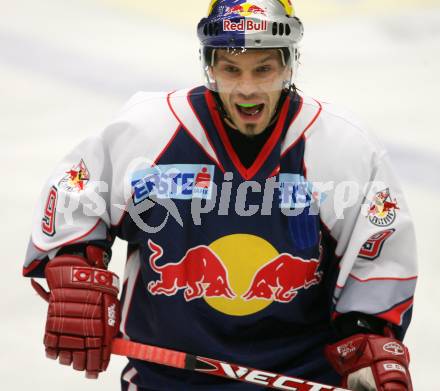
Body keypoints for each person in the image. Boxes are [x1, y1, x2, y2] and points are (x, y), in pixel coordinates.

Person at [23, 1, 417, 390]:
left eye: (263, 69)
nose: (247, 89)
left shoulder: (341, 148)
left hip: (299, 377)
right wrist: (74, 265)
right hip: (166, 380)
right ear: (209, 67)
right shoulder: (147, 131)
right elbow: (75, 192)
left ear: (288, 64)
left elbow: (378, 254)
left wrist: (368, 337)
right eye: (231, 69)